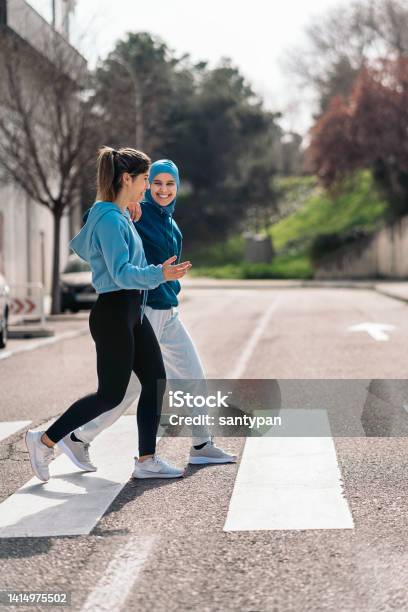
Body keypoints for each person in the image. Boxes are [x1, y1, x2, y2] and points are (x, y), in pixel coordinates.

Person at [25, 147, 191, 482]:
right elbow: (121, 273)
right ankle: (43, 440)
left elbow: (119, 247)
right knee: (110, 394)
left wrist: (126, 210)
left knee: (155, 382)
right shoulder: (110, 220)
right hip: (114, 312)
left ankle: (147, 460)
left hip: (132, 312)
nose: (147, 188)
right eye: (145, 180)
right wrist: (161, 274)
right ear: (127, 179)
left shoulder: (117, 215)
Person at [59, 159, 236, 470]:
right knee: (131, 390)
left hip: (169, 311)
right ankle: (78, 438)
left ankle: (202, 444)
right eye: (156, 183)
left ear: (177, 187)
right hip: (145, 310)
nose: (163, 190)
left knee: (193, 375)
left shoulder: (173, 226)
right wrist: (128, 207)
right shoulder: (135, 213)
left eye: (170, 184)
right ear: (147, 184)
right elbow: (94, 217)